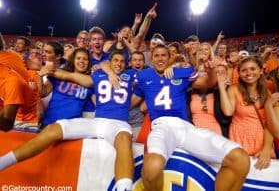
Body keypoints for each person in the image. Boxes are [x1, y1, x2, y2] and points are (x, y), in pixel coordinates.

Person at [0, 51, 135, 191]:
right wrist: (41, 70)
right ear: (110, 62)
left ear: (126, 64)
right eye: (115, 60)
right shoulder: (96, 76)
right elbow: (68, 75)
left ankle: (124, 188)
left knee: (125, 139)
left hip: (118, 123)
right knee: (54, 128)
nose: (118, 63)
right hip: (97, 120)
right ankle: (3, 162)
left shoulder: (132, 75)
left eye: (122, 61)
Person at [131, 44, 250, 191]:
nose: (160, 59)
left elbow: (208, 83)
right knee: (152, 169)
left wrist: (211, 70)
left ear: (170, 58)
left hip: (185, 127)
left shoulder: (181, 72)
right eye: (156, 55)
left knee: (240, 159)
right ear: (151, 58)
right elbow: (129, 102)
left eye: (164, 55)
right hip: (160, 126)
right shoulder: (144, 76)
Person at [217, 56, 275, 170]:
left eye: (253, 69)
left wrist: (266, 149)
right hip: (240, 139)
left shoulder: (268, 92)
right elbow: (228, 111)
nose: (249, 73)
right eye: (244, 70)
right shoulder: (234, 89)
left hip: (263, 140)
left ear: (261, 70)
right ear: (239, 74)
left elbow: (271, 124)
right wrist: (221, 87)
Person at [39, 48, 94, 127]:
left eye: (85, 59)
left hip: (72, 127)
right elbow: (43, 93)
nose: (81, 61)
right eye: (78, 58)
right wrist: (39, 76)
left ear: (89, 63)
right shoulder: (59, 74)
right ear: (73, 60)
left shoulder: (91, 81)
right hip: (50, 123)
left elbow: (97, 103)